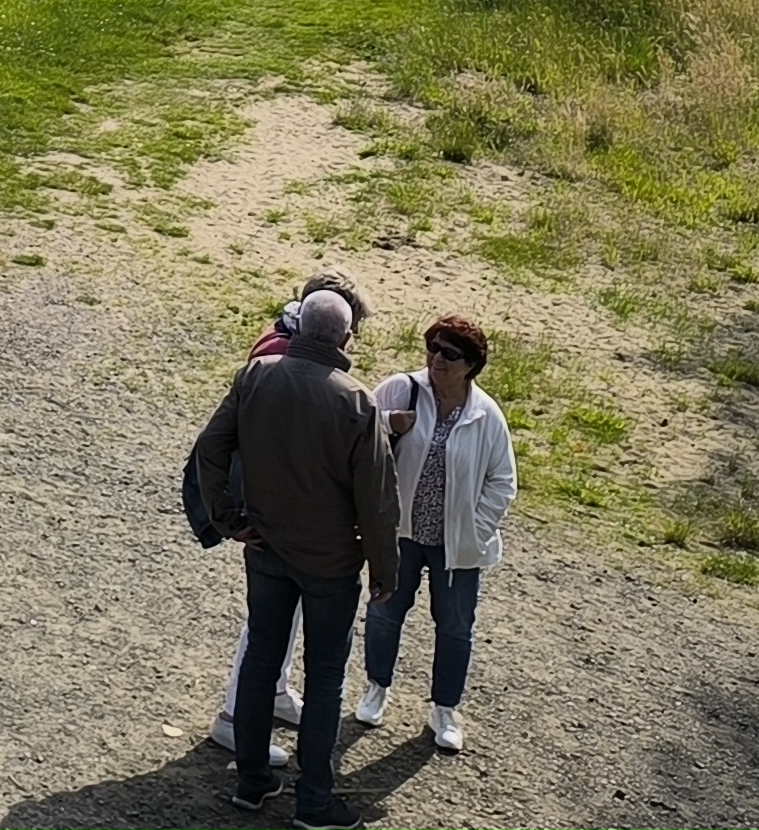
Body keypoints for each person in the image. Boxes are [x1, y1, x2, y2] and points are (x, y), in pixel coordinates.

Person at [190, 289, 393, 830]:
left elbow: (211, 447)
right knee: (325, 678)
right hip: (330, 562)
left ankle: (252, 780)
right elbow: (376, 497)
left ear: (298, 325)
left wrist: (228, 518)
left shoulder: (255, 376)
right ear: (347, 338)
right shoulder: (357, 401)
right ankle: (315, 801)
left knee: (261, 658)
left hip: (266, 548)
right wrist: (384, 569)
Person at [358, 315, 516, 757]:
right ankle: (376, 689)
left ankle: (445, 710)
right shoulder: (399, 388)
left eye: (449, 353)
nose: (436, 359)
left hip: (456, 547)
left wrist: (474, 529)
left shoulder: (486, 415)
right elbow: (357, 434)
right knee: (385, 614)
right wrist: (391, 423)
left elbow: (502, 481)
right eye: (432, 347)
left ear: (471, 365)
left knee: (455, 629)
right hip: (401, 533)